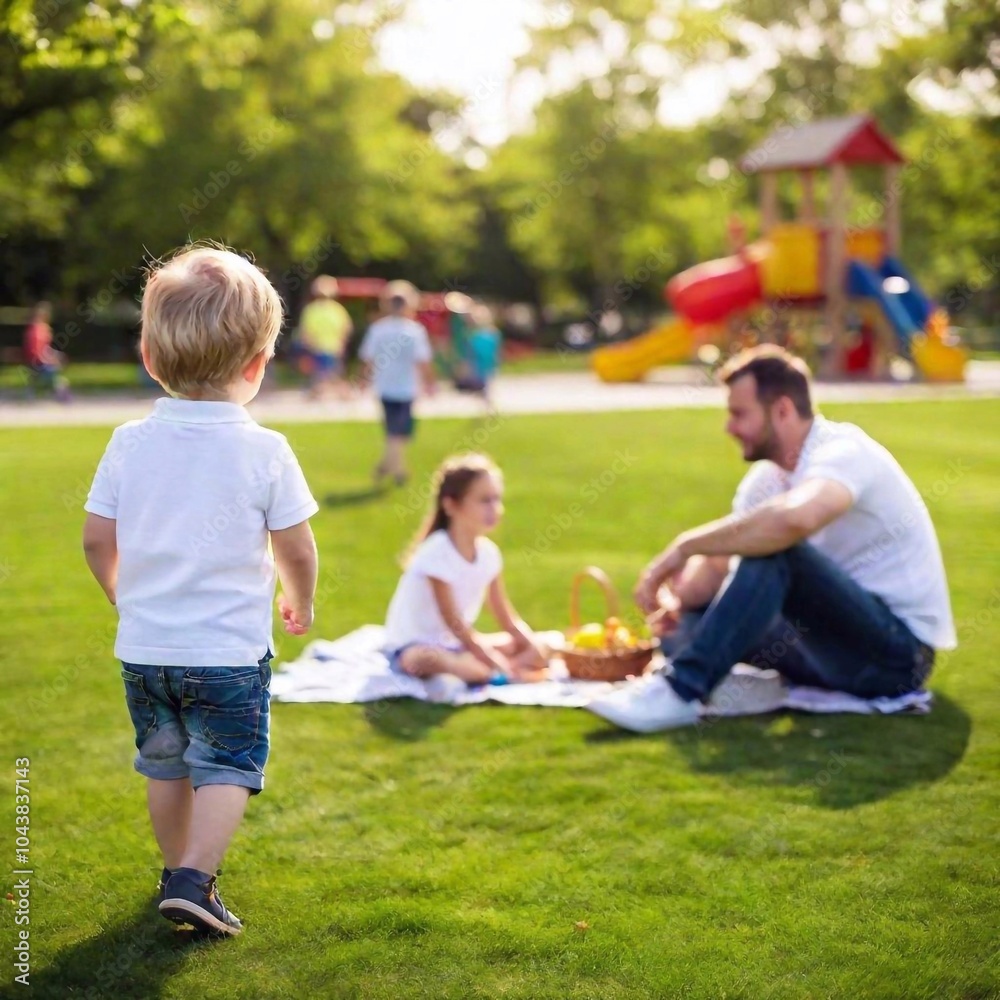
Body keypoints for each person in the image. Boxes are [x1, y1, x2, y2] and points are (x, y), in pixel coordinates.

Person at [82, 245, 320, 935]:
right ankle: (195, 876)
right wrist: (300, 600)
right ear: (257, 365)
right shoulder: (266, 449)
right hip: (227, 653)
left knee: (165, 765)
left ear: (150, 358)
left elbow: (98, 539)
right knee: (228, 764)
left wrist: (121, 593)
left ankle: (176, 872)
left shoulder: (128, 442)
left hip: (146, 649)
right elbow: (296, 546)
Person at [587, 344, 956, 732]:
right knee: (689, 624)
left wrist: (684, 545)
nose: (729, 427)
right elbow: (719, 566)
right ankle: (723, 683)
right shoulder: (763, 483)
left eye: (739, 413)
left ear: (782, 410)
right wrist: (672, 601)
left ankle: (679, 693)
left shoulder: (845, 452)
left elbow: (796, 519)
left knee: (777, 553)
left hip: (893, 658)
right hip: (816, 648)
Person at [383, 453, 548, 686]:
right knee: (426, 659)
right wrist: (490, 657)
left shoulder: (489, 554)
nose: (495, 509)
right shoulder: (435, 551)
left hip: (458, 645)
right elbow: (454, 621)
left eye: (497, 499)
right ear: (451, 505)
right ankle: (491, 672)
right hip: (416, 648)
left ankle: (491, 670)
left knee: (545, 643)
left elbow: (505, 616)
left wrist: (529, 643)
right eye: (484, 500)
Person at [358, 279, 436, 486]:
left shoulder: (378, 329)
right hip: (407, 388)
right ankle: (400, 471)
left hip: (385, 387)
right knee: (398, 431)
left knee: (396, 431)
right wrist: (430, 382)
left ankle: (386, 464)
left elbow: (368, 358)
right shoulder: (414, 331)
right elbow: (423, 361)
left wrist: (364, 379)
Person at [295, 275, 353, 399]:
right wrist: (342, 344)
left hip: (317, 347)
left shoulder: (311, 310)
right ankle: (342, 393)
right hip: (334, 347)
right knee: (333, 372)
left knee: (321, 373)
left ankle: (319, 392)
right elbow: (346, 328)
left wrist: (307, 345)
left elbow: (305, 331)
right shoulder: (338, 309)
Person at [23, 301, 70, 402]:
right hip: (38, 362)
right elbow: (35, 350)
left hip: (41, 360)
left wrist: (53, 356)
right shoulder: (35, 330)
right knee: (58, 379)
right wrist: (49, 359)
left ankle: (57, 393)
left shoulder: (44, 328)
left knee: (57, 375)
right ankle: (59, 395)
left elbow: (45, 348)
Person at [466, 303, 502, 409]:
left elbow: (496, 350)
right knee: (480, 386)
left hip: (487, 363)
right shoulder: (473, 333)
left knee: (487, 385)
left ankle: (488, 407)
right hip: (477, 364)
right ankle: (485, 405)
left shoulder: (492, 332)